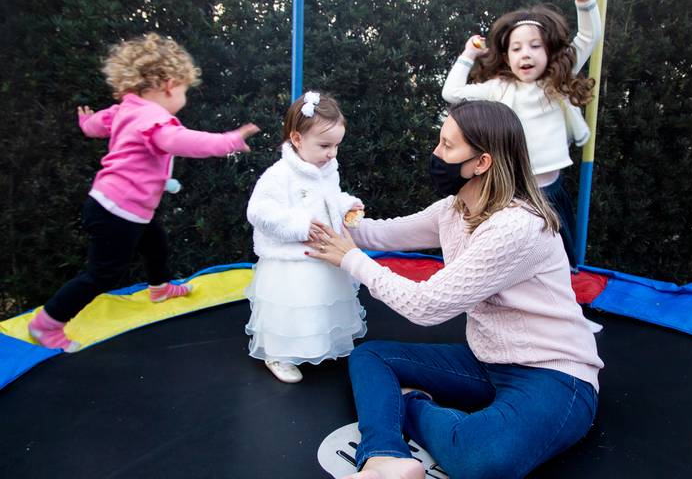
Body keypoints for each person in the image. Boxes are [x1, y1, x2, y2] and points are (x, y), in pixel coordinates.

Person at [307, 101, 604, 479]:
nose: (435, 153)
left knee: (478, 460)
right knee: (371, 357)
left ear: (481, 162)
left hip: (555, 375)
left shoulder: (517, 227)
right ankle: (384, 457)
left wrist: (351, 259)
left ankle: (411, 403)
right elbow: (379, 232)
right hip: (489, 361)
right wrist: (324, 214)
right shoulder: (454, 209)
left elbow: (426, 306)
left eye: (447, 146)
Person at [27, 33, 259, 352]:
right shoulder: (154, 119)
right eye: (184, 91)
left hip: (115, 204)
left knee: (154, 241)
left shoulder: (126, 109)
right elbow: (181, 141)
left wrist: (85, 124)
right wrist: (227, 142)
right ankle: (47, 324)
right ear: (168, 84)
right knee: (102, 274)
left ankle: (160, 287)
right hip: (117, 210)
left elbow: (98, 124)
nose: (184, 98)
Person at [442, 0, 600, 269]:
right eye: (517, 48)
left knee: (557, 259)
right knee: (508, 257)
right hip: (511, 195)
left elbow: (590, 37)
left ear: (550, 51)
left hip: (549, 192)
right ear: (506, 56)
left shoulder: (556, 78)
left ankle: (558, 298)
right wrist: (467, 56)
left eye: (535, 46)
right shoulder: (500, 88)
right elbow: (451, 93)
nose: (525, 54)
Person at [244, 91, 367, 384]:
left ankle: (324, 343)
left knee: (321, 303)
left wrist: (346, 204)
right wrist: (299, 225)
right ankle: (277, 353)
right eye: (325, 145)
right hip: (290, 261)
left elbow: (329, 199)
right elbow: (259, 212)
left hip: (323, 254)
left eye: (337, 145)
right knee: (291, 308)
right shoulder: (279, 175)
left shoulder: (326, 168)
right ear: (297, 139)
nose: (332, 153)